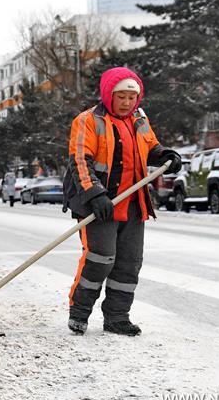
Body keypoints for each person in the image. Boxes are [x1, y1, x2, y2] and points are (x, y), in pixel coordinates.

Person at [64, 66, 181, 337]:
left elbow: (150, 146)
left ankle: (117, 317)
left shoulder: (139, 118)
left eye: (132, 97)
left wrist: (165, 155)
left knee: (129, 262)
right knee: (100, 258)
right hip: (100, 203)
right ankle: (79, 312)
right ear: (108, 94)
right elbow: (80, 159)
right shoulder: (88, 120)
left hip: (132, 201)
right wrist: (95, 193)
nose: (127, 102)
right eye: (121, 97)